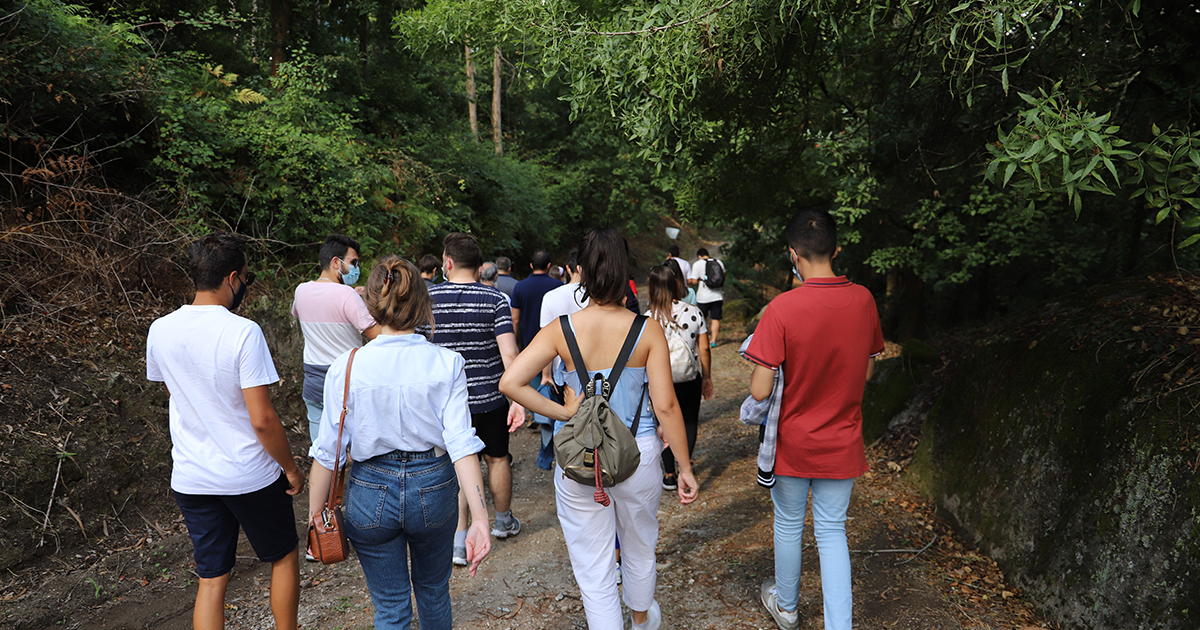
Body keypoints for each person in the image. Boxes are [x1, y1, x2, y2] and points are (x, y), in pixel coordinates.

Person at [500, 227, 699, 630]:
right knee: (640, 547)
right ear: (625, 271)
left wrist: (563, 412)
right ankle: (641, 621)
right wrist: (684, 467)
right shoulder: (647, 329)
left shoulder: (561, 329)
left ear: (582, 272)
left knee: (594, 568)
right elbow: (665, 406)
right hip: (638, 453)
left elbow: (511, 382)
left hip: (580, 457)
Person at [307, 256, 492, 629]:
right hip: (433, 486)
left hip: (370, 490)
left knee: (391, 607)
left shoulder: (346, 366)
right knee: (434, 592)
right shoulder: (447, 363)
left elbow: (328, 454)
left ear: (371, 304)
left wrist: (316, 521)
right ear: (423, 303)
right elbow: (461, 444)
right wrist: (480, 518)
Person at [145, 232, 306, 630]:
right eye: (246, 278)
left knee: (212, 578)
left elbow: (174, 391)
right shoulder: (243, 332)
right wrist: (290, 468)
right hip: (248, 474)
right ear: (233, 278)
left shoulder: (160, 329)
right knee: (283, 556)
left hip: (192, 476)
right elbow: (262, 419)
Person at [744, 209, 884, 630]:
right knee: (832, 531)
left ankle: (787, 608)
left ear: (793, 254)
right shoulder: (863, 300)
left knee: (788, 524)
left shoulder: (782, 308)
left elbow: (759, 391)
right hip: (842, 440)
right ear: (836, 250)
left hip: (792, 442)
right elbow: (867, 371)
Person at [417, 233, 526, 566]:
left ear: (447, 262)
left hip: (444, 404)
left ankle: (458, 541)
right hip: (490, 398)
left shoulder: (427, 299)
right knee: (497, 458)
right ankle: (503, 521)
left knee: (457, 465)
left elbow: (418, 353)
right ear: (480, 267)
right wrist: (518, 398)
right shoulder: (496, 299)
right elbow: (509, 353)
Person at [292, 234, 381, 447]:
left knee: (321, 450)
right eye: (353, 262)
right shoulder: (347, 295)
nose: (356, 268)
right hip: (345, 385)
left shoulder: (301, 291)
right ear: (335, 262)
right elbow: (378, 335)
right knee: (353, 448)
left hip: (313, 383)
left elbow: (302, 312)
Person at [644, 265, 712, 492]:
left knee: (663, 422)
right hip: (688, 377)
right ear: (675, 284)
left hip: (659, 380)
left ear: (651, 288)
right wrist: (706, 377)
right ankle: (685, 467)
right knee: (689, 421)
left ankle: (669, 474)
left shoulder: (646, 319)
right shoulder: (694, 312)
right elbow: (704, 349)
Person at [511, 249, 561, 350]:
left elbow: (515, 319)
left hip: (528, 341)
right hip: (553, 342)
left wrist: (516, 343)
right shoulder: (558, 286)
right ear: (548, 265)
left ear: (531, 265)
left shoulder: (520, 286)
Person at [688, 247, 725, 348]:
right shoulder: (718, 262)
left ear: (699, 256)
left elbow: (694, 281)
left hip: (703, 297)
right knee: (715, 318)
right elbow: (723, 277)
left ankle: (700, 339)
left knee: (701, 319)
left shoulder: (697, 264)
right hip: (717, 296)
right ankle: (713, 340)